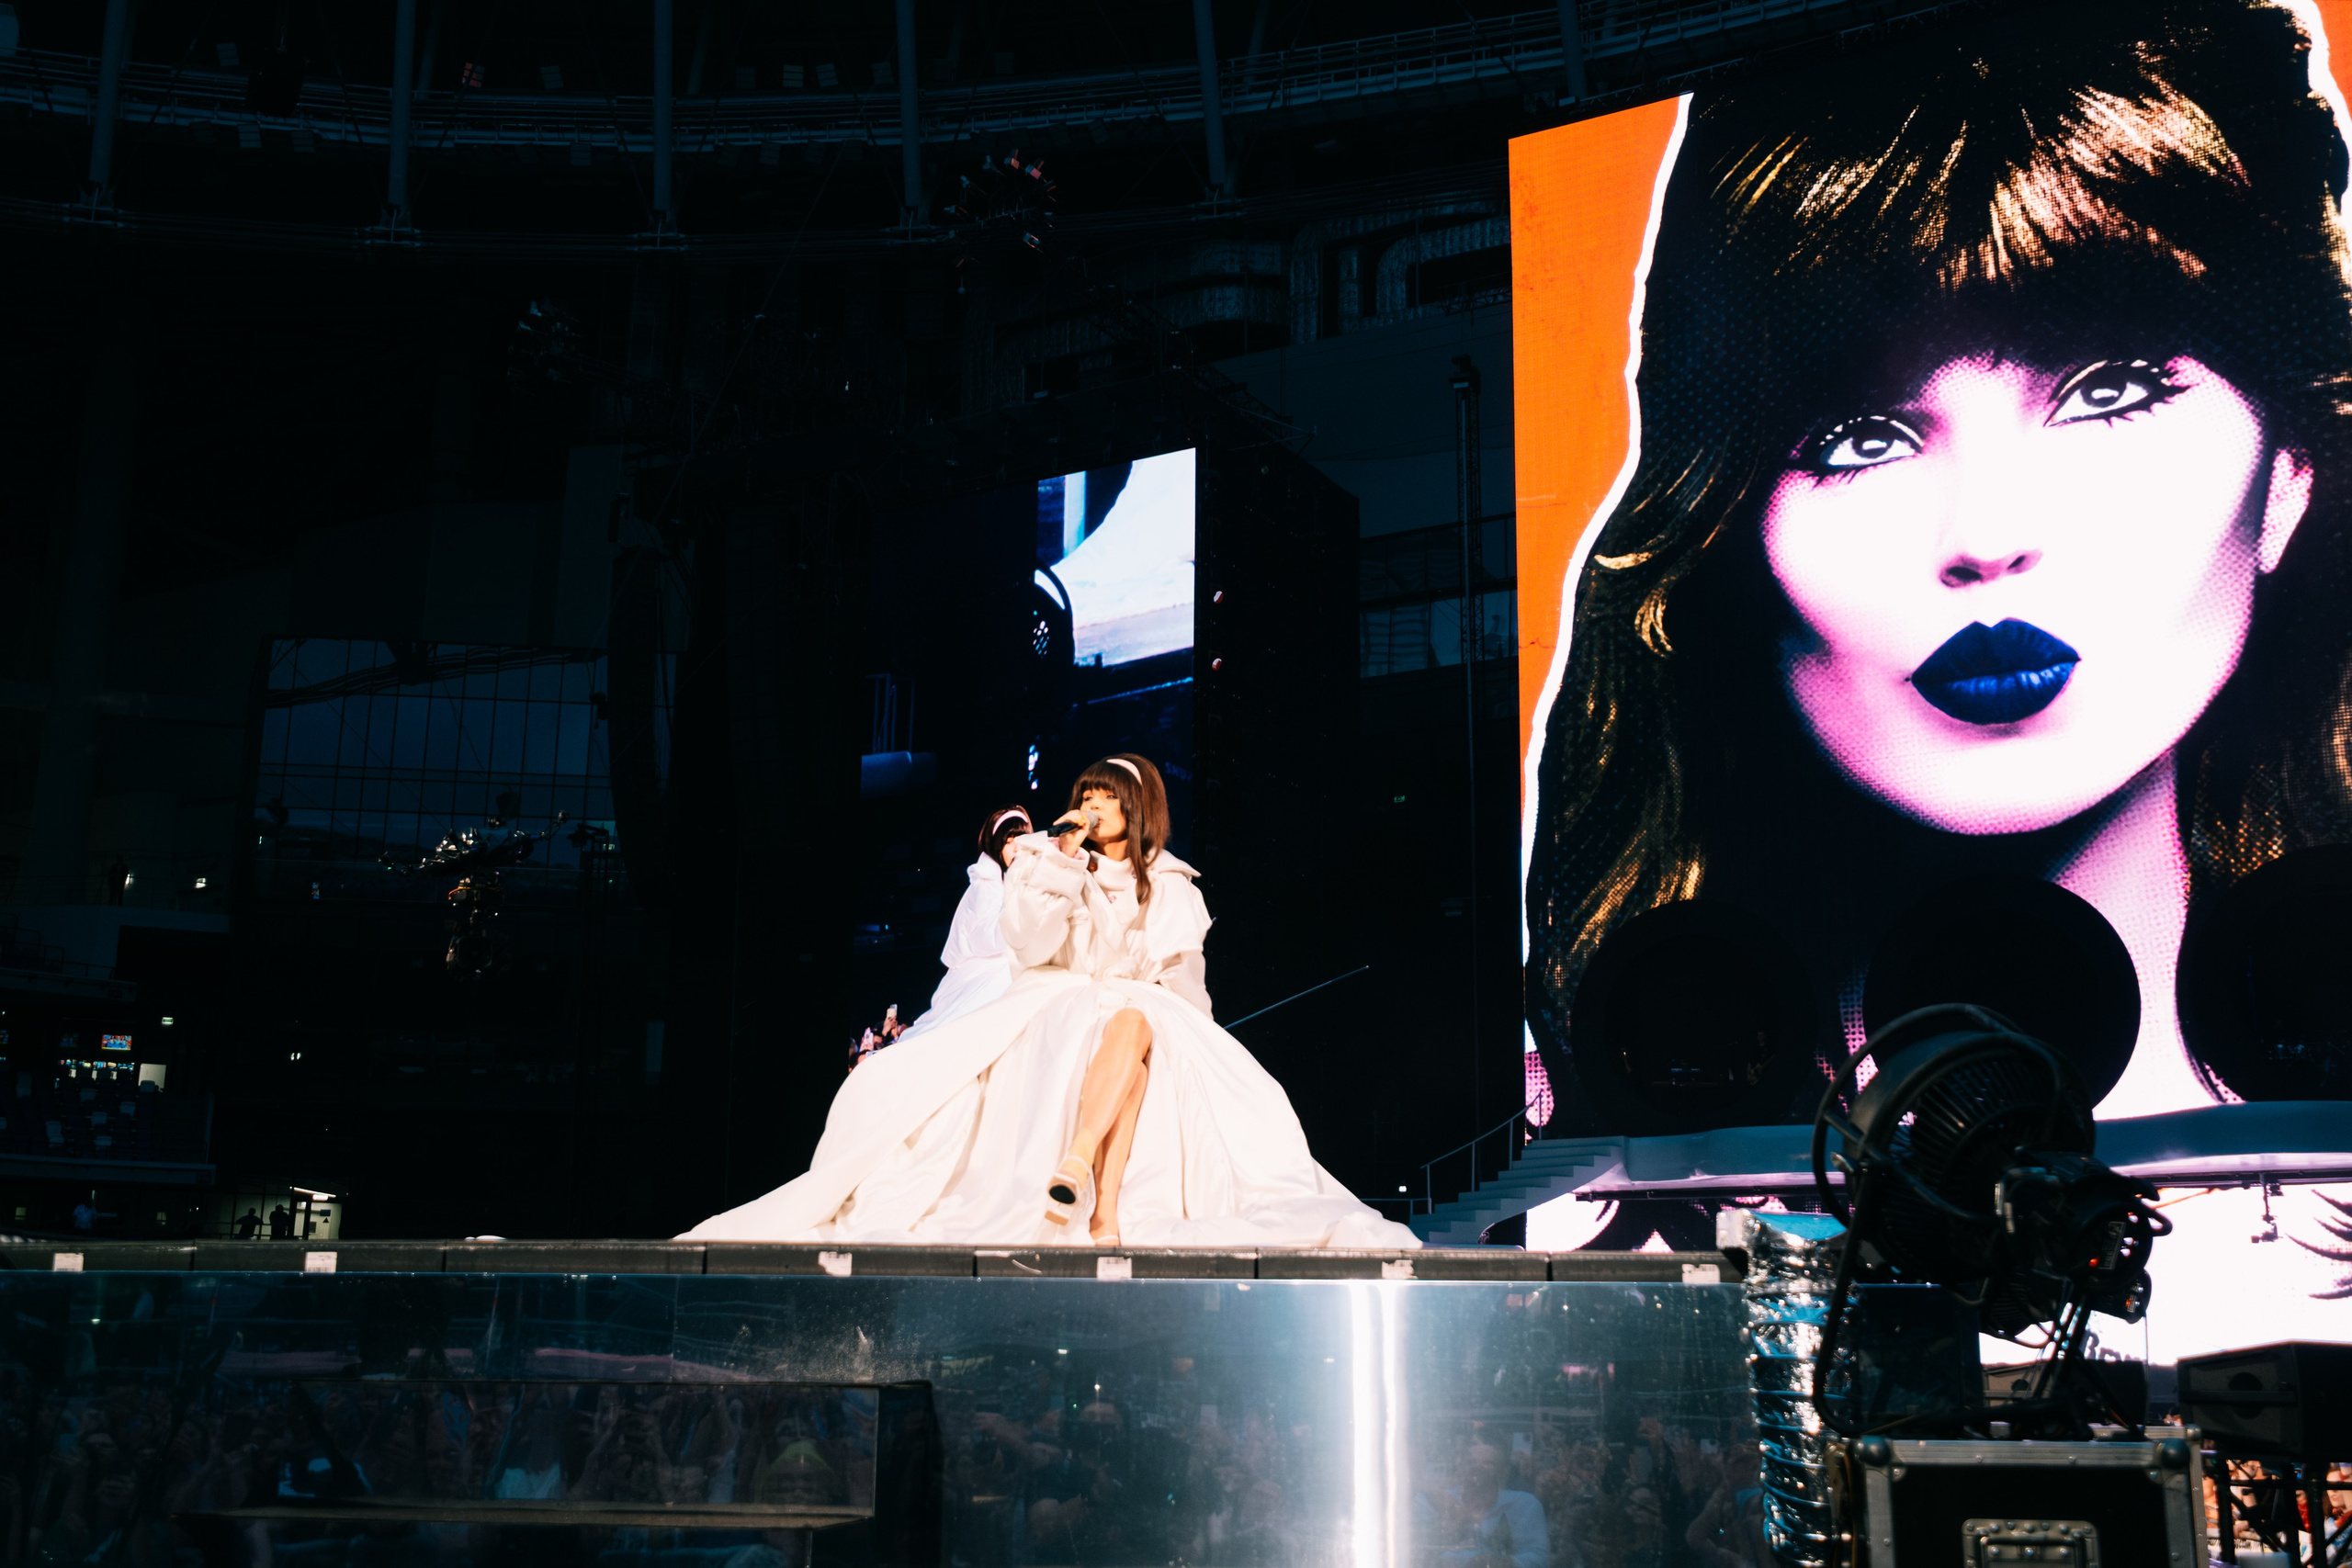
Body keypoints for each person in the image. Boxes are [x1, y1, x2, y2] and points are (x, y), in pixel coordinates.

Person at [1526, 0, 2352, 1122]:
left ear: (2289, 475)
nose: (1983, 537)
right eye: (1859, 438)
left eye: (2105, 391)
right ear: (1719, 525)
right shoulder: (1588, 1154)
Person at [681, 754, 1411, 1248]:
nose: (1092, 805)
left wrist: (1202, 1047)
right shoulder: (1047, 864)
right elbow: (1028, 945)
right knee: (1102, 1027)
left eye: (1107, 796)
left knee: (1140, 1025)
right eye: (1085, 795)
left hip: (1139, 1009)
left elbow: (1184, 987)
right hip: (1058, 995)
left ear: (1138, 808)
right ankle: (1102, 1205)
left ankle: (1084, 1174)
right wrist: (1058, 866)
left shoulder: (1174, 886)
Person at [901, 804, 1033, 1038]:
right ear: (997, 845)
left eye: (1021, 838)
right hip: (982, 971)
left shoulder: (1014, 879)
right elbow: (984, 938)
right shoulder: (985, 885)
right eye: (1009, 839)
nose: (1016, 846)